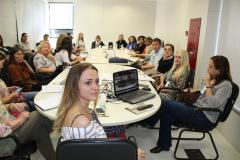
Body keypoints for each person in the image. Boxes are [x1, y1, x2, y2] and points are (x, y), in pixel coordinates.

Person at [54, 63, 145, 160]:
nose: (96, 87)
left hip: (99, 146)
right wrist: (128, 155)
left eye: (97, 81)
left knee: (118, 128)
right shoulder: (81, 121)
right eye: (88, 83)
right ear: (74, 86)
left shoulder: (81, 108)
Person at [148, 55, 232, 153]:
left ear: (219, 70)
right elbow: (201, 91)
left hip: (205, 118)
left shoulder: (226, 85)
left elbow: (213, 104)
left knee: (165, 104)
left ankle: (148, 122)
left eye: (210, 67)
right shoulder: (214, 79)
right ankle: (163, 145)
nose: (207, 68)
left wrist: (208, 85)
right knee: (166, 114)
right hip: (196, 109)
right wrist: (205, 83)